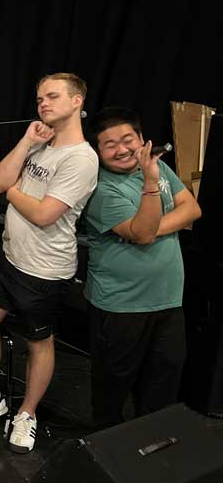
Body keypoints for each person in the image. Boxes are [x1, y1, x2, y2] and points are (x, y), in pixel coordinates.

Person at [0, 72, 98, 453]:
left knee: (39, 341)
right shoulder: (41, 145)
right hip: (7, 257)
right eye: (39, 99)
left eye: (52, 97)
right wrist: (26, 142)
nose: (43, 104)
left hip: (45, 269)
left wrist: (13, 190)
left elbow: (43, 214)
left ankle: (27, 414)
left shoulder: (82, 158)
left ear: (76, 102)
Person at [84, 107, 200, 428]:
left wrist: (149, 228)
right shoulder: (100, 189)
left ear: (141, 140)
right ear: (98, 151)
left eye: (127, 140)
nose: (121, 150)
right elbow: (141, 233)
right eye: (110, 145)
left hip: (168, 301)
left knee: (162, 387)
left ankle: (146, 454)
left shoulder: (157, 167)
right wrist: (150, 186)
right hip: (120, 307)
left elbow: (191, 208)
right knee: (112, 390)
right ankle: (104, 453)